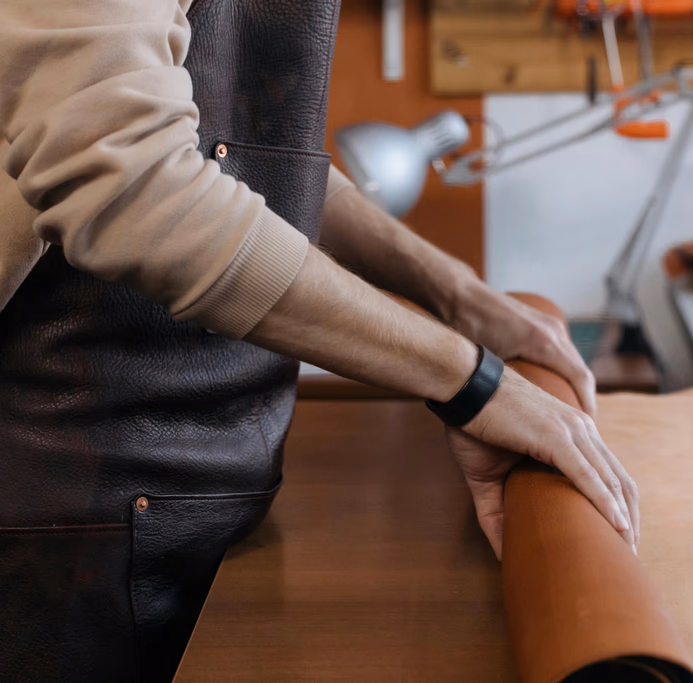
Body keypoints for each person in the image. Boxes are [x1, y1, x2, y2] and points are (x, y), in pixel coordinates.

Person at [0, 1, 639, 680]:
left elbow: (227, 151)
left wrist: (459, 295)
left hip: (192, 505)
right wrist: (472, 382)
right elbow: (133, 184)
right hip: (56, 514)